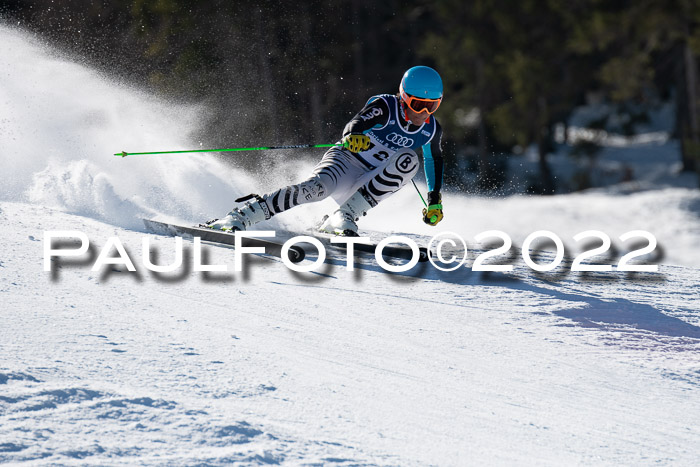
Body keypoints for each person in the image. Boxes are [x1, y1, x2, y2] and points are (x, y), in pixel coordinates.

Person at [206, 65, 445, 236]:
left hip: (367, 183)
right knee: (316, 189)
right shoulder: (386, 106)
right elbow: (357, 122)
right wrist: (353, 136)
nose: (423, 114)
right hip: (346, 161)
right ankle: (242, 215)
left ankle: (344, 216)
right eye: (418, 105)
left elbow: (433, 160)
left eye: (431, 106)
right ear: (404, 98)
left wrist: (434, 200)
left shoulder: (431, 129)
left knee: (408, 161)